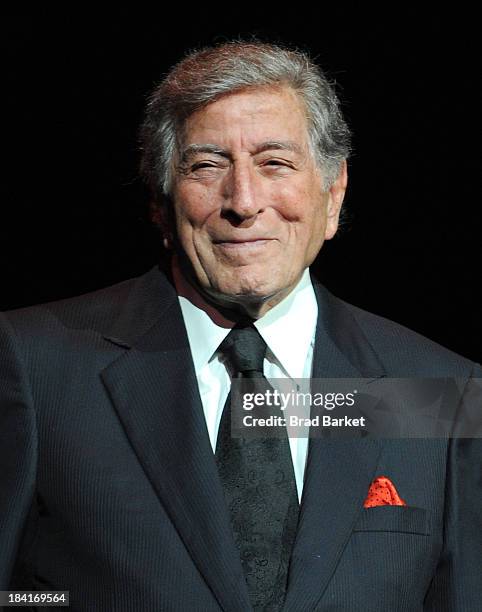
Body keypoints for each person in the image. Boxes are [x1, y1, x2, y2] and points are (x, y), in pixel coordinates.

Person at [0, 40, 480, 611]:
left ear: (333, 194)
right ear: (160, 200)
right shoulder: (35, 364)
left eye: (274, 163)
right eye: (207, 166)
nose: (244, 201)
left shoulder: (436, 390)